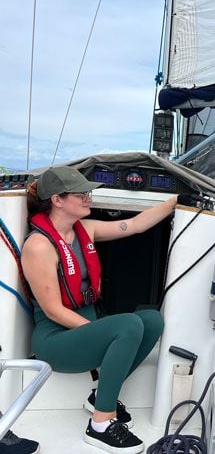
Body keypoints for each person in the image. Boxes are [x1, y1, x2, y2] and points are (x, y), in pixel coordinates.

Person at [21, 166, 177, 454]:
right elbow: (54, 311)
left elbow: (136, 225)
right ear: (57, 200)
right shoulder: (39, 246)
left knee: (152, 320)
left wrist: (173, 202)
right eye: (81, 193)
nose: (88, 197)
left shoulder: (87, 229)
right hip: (55, 340)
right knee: (128, 325)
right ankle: (101, 424)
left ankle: (98, 396)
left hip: (87, 329)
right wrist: (99, 334)